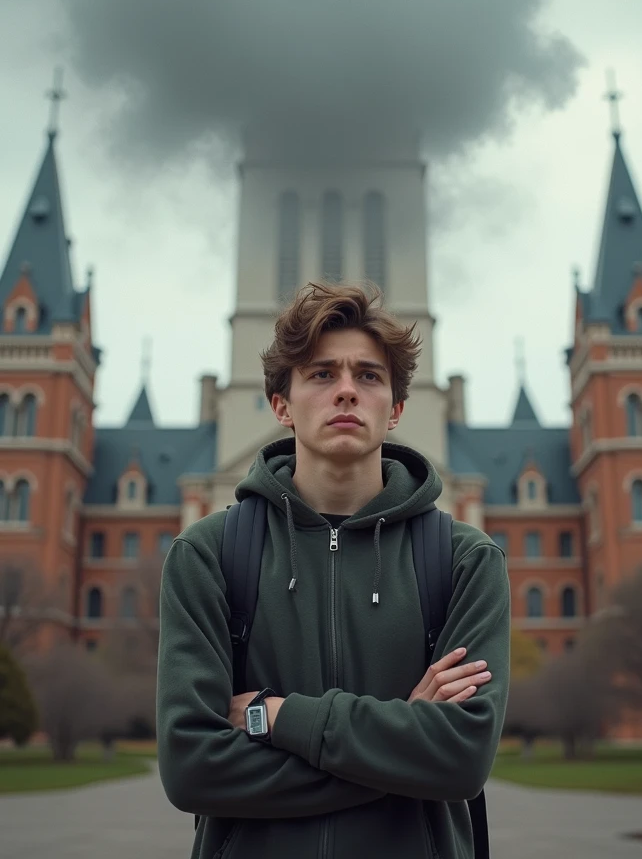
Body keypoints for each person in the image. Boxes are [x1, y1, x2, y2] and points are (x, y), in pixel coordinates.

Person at [157, 281, 510, 859]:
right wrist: (402, 749)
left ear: (395, 409)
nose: (346, 390)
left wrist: (275, 717)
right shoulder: (209, 554)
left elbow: (462, 760)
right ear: (281, 405)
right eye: (321, 374)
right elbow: (192, 770)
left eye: (368, 376)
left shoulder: (465, 560)